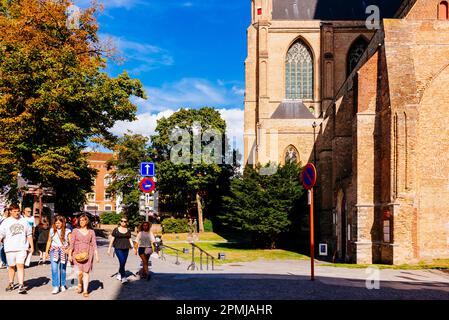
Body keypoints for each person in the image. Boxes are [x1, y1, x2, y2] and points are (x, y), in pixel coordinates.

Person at [0, 204, 34, 294]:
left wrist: (32, 246)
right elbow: (1, 234)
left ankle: (21, 285)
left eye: (18, 211)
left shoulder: (24, 221)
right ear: (10, 211)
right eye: (14, 211)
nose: (16, 213)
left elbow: (29, 234)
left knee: (20, 265)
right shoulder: (6, 222)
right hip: (9, 248)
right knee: (11, 266)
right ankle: (11, 283)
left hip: (22, 247)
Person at [68, 214, 99, 298]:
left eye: (83, 220)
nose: (81, 222)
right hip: (76, 253)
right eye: (80, 220)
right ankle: (79, 283)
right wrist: (70, 254)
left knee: (86, 272)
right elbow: (72, 243)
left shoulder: (91, 232)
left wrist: (96, 255)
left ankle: (85, 291)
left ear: (87, 221)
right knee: (79, 272)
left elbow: (94, 243)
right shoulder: (75, 230)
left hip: (88, 253)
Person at [45, 215, 72, 294]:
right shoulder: (52, 230)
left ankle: (62, 284)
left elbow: (71, 243)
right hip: (54, 250)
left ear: (63, 223)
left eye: (59, 223)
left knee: (62, 269)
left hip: (64, 251)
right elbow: (49, 241)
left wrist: (68, 250)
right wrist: (46, 252)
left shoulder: (67, 231)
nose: (57, 224)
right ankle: (55, 286)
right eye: (56, 223)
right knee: (54, 268)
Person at [107, 216, 133, 284]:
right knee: (122, 261)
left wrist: (133, 247)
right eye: (122, 221)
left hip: (126, 248)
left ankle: (119, 273)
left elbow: (130, 239)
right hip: (118, 248)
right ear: (120, 222)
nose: (123, 222)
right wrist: (109, 249)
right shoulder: (116, 230)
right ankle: (123, 277)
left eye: (125, 221)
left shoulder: (128, 230)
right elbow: (112, 239)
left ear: (126, 222)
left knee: (123, 262)